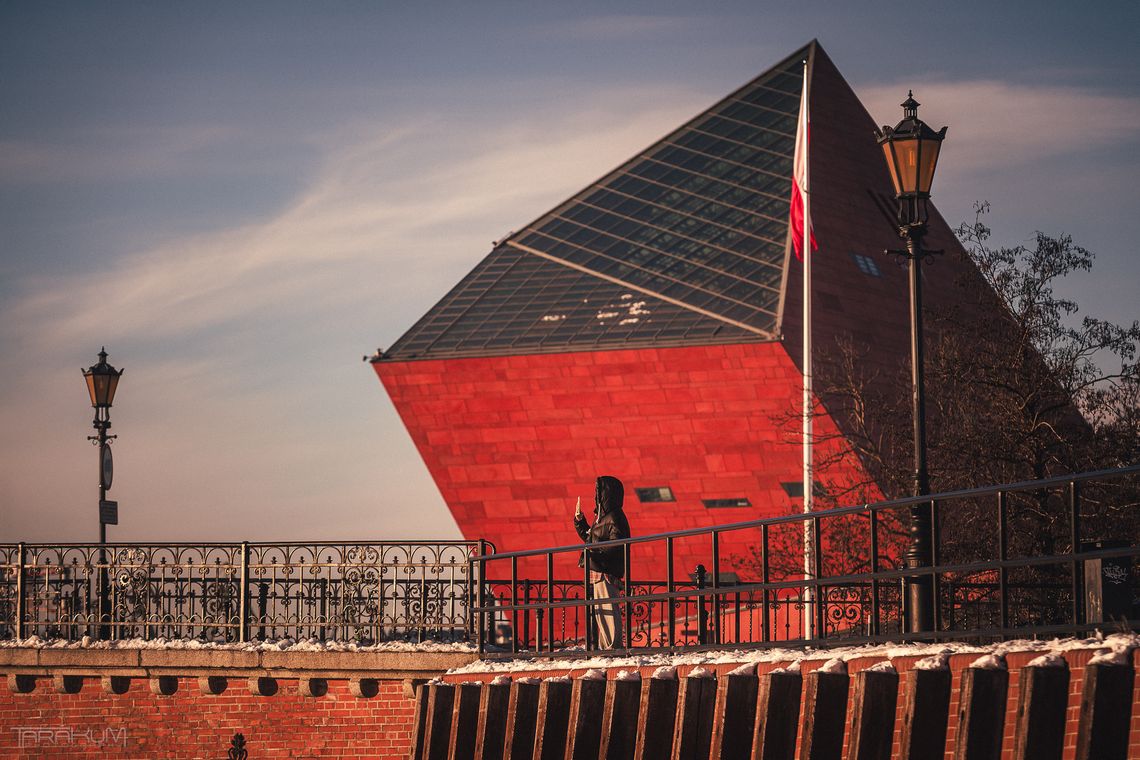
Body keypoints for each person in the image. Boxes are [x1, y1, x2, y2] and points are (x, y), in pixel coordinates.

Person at [573, 475, 631, 648]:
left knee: (608, 609)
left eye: (598, 493)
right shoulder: (602, 517)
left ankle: (613, 646)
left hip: (606, 570)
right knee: (602, 610)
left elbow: (616, 544)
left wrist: (594, 554)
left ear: (605, 494)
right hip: (599, 569)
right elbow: (591, 538)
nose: (595, 497)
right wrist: (580, 521)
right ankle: (607, 646)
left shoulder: (614, 517)